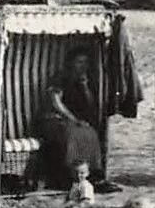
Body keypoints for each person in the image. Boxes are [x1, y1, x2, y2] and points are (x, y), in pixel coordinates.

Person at [36, 47, 117, 193]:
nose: (83, 66)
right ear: (71, 62)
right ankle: (70, 176)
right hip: (52, 119)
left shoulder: (83, 80)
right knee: (72, 134)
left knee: (90, 133)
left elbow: (90, 105)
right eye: (79, 62)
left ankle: (92, 175)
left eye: (85, 62)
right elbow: (55, 102)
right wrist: (73, 119)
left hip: (69, 121)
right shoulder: (61, 77)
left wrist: (85, 87)